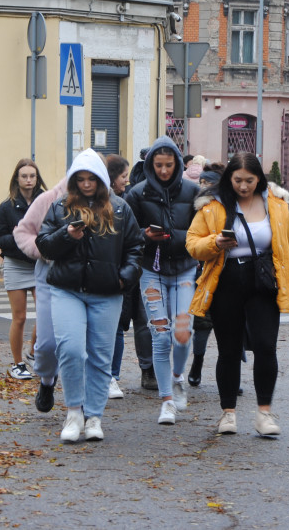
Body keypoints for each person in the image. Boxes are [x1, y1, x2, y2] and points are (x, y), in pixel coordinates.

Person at [186, 152, 289, 436]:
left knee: (266, 346)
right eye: (237, 180)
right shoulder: (212, 205)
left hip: (263, 281)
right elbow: (192, 243)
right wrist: (215, 242)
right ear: (229, 178)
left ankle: (264, 413)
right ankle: (228, 413)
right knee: (228, 350)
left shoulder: (275, 204)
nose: (243, 186)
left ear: (259, 178)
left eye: (249, 180)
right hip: (225, 281)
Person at [36, 149, 143, 442]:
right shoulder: (60, 208)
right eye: (80, 179)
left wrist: (124, 279)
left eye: (91, 179)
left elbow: (135, 247)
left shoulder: (120, 208)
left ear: (100, 179)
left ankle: (94, 416)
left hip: (107, 292)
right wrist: (66, 236)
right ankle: (73, 413)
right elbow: (44, 245)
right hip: (66, 290)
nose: (86, 185)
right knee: (70, 350)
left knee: (100, 356)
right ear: (72, 181)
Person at [125, 136, 200, 425]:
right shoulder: (138, 193)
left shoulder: (193, 191)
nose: (164, 171)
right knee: (160, 335)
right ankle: (166, 401)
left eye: (169, 165)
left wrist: (180, 239)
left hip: (184, 268)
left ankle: (178, 377)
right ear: (150, 165)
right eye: (158, 165)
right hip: (151, 270)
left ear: (178, 164)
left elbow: (200, 232)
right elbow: (128, 234)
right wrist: (145, 235)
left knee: (183, 332)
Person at [14, 173, 69, 413]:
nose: (88, 183)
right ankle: (47, 380)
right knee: (46, 345)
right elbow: (23, 232)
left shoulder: (104, 202)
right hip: (49, 276)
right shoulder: (49, 199)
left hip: (86, 281)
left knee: (80, 346)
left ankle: (81, 407)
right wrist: (43, 251)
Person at [104, 154, 154, 400]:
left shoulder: (128, 198)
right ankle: (110, 376)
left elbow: (133, 239)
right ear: (112, 178)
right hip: (118, 272)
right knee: (116, 326)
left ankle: (124, 373)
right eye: (123, 177)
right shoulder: (111, 204)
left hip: (134, 270)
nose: (126, 180)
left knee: (134, 323)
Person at [0, 158, 47, 380]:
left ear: (37, 178)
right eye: (24, 176)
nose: (28, 180)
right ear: (17, 178)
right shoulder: (7, 207)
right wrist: (19, 237)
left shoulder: (45, 202)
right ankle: (18, 364)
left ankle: (33, 351)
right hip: (15, 264)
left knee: (45, 314)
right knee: (20, 317)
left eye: (32, 176)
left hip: (39, 264)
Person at [187, 162, 225, 387]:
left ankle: (233, 372)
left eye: (207, 182)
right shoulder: (199, 207)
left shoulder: (230, 205)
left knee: (233, 328)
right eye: (201, 182)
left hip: (230, 273)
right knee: (202, 323)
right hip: (203, 273)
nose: (202, 186)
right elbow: (192, 240)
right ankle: (197, 364)